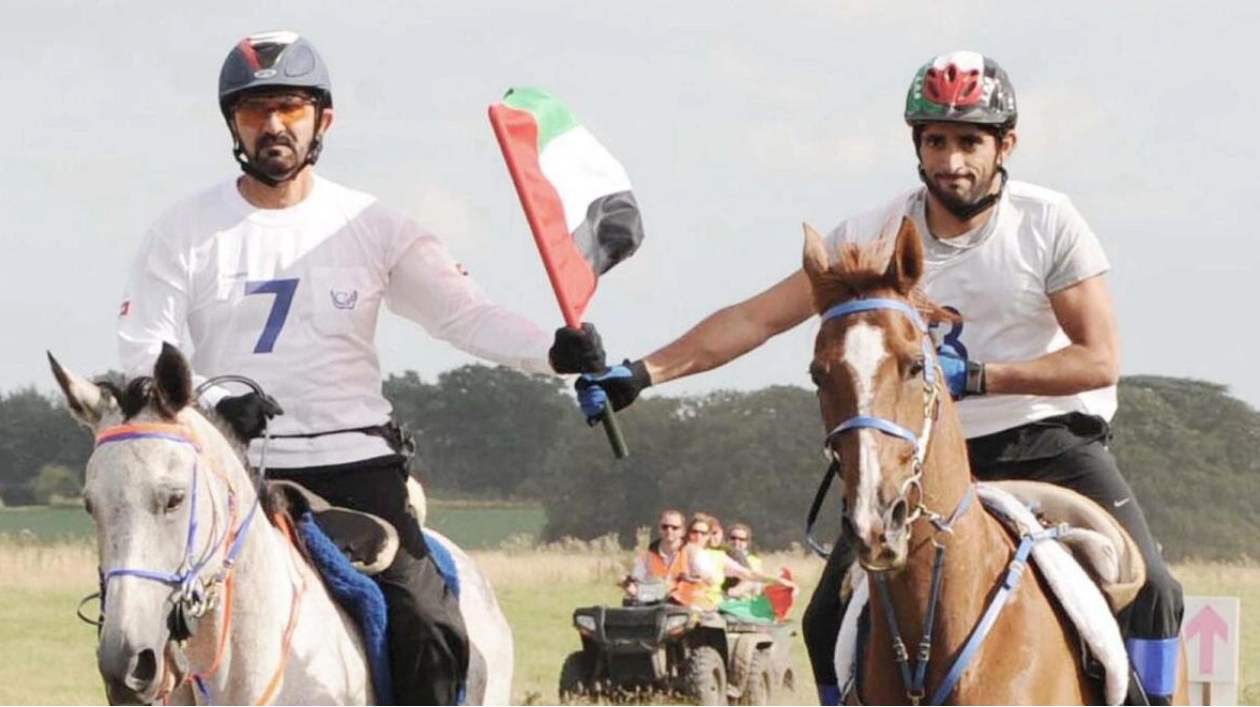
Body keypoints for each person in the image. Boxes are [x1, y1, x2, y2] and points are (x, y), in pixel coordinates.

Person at [564, 50, 1182, 707]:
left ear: (1006, 144)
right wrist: (641, 372)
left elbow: (1097, 358)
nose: (952, 160)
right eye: (936, 140)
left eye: (969, 141)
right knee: (824, 615)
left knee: (1156, 592)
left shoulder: (1049, 222)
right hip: (916, 462)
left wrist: (976, 376)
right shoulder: (870, 234)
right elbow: (753, 318)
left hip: (1050, 445)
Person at [116, 30, 600, 707]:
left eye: (290, 107)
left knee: (428, 624)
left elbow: (464, 313)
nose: (274, 126)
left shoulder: (374, 224)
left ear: (323, 120)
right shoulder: (182, 231)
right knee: (136, 623)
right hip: (233, 475)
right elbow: (147, 356)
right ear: (233, 123)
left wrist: (551, 350)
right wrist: (215, 400)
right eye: (255, 111)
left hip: (356, 470)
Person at [621, 509, 687, 601]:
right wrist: (629, 586)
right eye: (665, 527)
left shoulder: (693, 554)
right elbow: (636, 583)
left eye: (674, 527)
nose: (669, 530)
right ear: (659, 529)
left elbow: (705, 582)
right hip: (655, 605)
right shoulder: (647, 557)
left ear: (683, 531)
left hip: (686, 606)